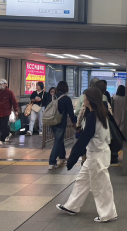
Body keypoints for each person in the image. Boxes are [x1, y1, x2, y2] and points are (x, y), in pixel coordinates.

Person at [57, 87, 117, 223]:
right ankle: (72, 206)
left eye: (84, 97)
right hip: (94, 155)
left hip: (97, 156)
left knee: (101, 186)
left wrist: (72, 157)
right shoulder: (100, 113)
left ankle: (108, 214)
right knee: (82, 181)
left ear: (90, 99)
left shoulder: (93, 116)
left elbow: (84, 138)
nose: (83, 100)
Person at [48, 81, 77, 170]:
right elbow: (71, 112)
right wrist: (74, 122)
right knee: (57, 141)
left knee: (59, 140)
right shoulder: (66, 99)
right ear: (66, 88)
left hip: (52, 122)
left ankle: (62, 157)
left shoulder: (53, 97)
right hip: (61, 123)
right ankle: (52, 162)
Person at [0, 79, 19, 146]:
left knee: (4, 126)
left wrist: (16, 110)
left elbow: (14, 102)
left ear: (5, 85)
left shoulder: (10, 93)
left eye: (1, 84)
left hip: (6, 112)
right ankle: (7, 133)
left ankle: (2, 140)